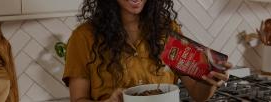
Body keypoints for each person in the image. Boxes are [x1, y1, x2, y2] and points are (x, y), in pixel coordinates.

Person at [62, 0, 232, 102]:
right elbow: (78, 99)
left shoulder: (167, 30)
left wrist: (208, 82)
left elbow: (197, 94)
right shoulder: (84, 37)